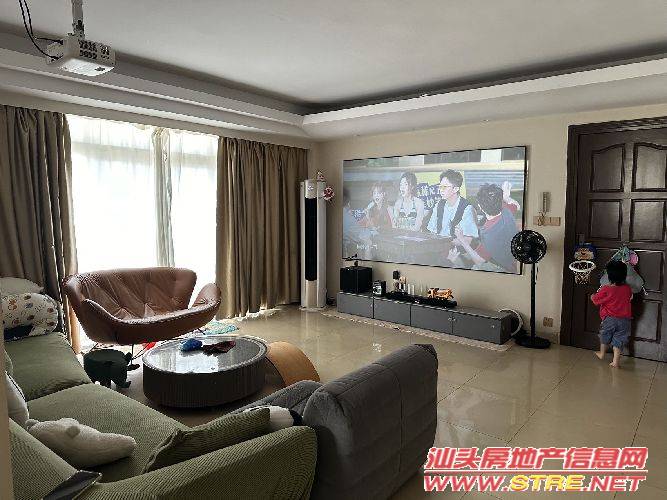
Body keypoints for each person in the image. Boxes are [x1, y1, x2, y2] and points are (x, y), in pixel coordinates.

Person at [451, 181, 520, 272]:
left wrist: (462, 240)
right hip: (515, 257)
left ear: (480, 207)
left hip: (506, 268)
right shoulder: (507, 211)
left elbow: (479, 261)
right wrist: (506, 197)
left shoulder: (488, 234)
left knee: (459, 262)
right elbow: (516, 205)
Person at [591, 260, 633, 368]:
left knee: (604, 336)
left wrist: (592, 296)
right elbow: (629, 297)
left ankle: (602, 354)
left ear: (609, 276)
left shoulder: (606, 288)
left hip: (609, 319)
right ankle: (615, 362)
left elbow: (596, 301)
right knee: (619, 340)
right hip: (625, 320)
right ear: (624, 276)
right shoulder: (627, 288)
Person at [427, 170, 478, 243]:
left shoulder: (466, 208)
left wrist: (444, 243)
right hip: (439, 246)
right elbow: (432, 231)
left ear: (456, 189)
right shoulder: (438, 205)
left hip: (456, 248)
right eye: (440, 186)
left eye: (445, 187)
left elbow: (468, 240)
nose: (441, 190)